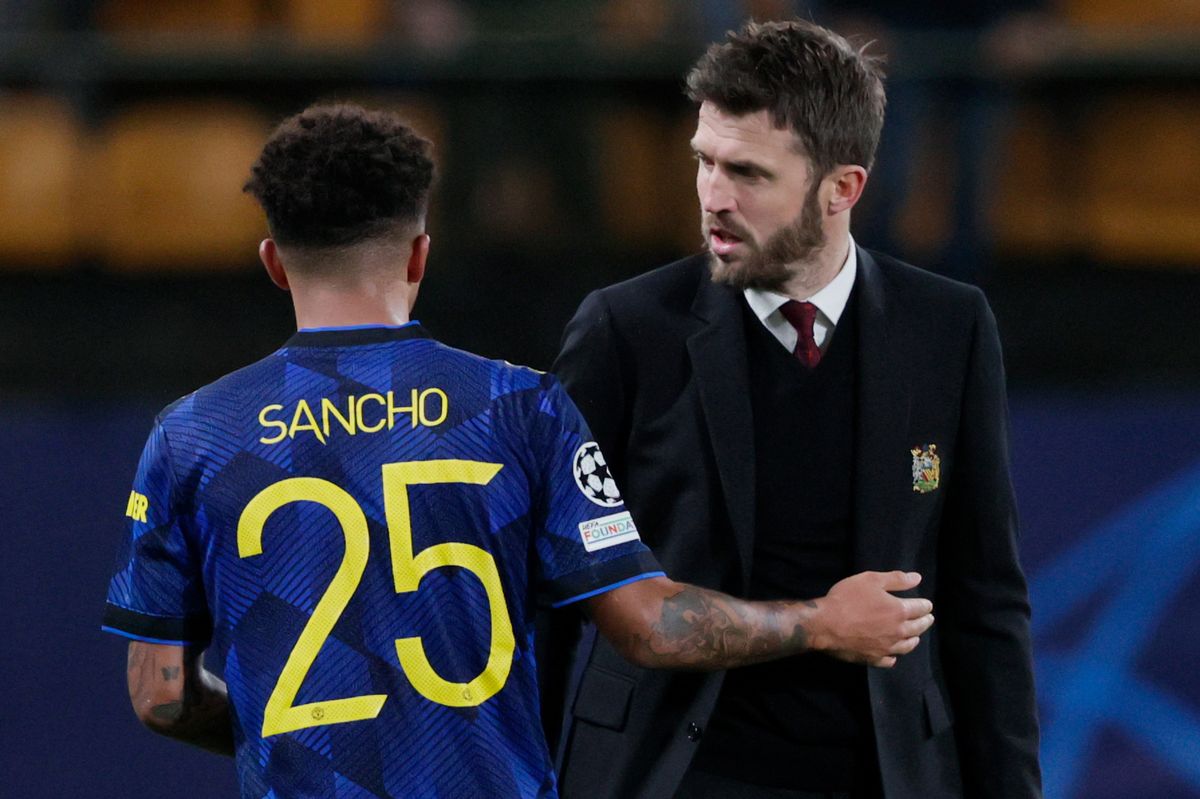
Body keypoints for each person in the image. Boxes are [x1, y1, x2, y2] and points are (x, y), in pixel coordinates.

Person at [100, 103, 934, 799]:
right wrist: (820, 620)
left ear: (274, 264)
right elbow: (651, 624)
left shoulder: (194, 435)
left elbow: (161, 695)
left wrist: (304, 723)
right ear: (421, 253)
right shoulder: (518, 407)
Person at [552, 20, 1040, 799]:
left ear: (842, 187)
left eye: (747, 172)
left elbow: (986, 603)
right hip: (676, 774)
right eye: (703, 162)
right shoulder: (626, 329)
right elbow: (552, 596)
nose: (713, 196)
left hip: (884, 774)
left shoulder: (948, 327)